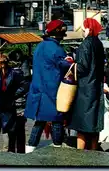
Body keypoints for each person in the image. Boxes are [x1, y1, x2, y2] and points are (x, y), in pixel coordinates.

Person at [24, 19, 73, 153]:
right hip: (52, 90)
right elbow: (66, 67)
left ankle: (30, 149)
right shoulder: (57, 49)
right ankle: (57, 147)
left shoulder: (39, 46)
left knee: (39, 122)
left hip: (37, 89)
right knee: (56, 120)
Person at [68, 18, 105, 151]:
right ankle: (94, 151)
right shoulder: (99, 44)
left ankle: (80, 153)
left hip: (85, 89)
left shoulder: (85, 44)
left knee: (82, 126)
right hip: (96, 87)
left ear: (89, 29)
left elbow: (82, 68)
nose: (83, 30)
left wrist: (71, 64)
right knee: (94, 124)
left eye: (84, 27)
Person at [99, 80, 109, 144]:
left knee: (106, 126)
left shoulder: (105, 85)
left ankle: (106, 139)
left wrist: (106, 92)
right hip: (98, 110)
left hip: (105, 111)